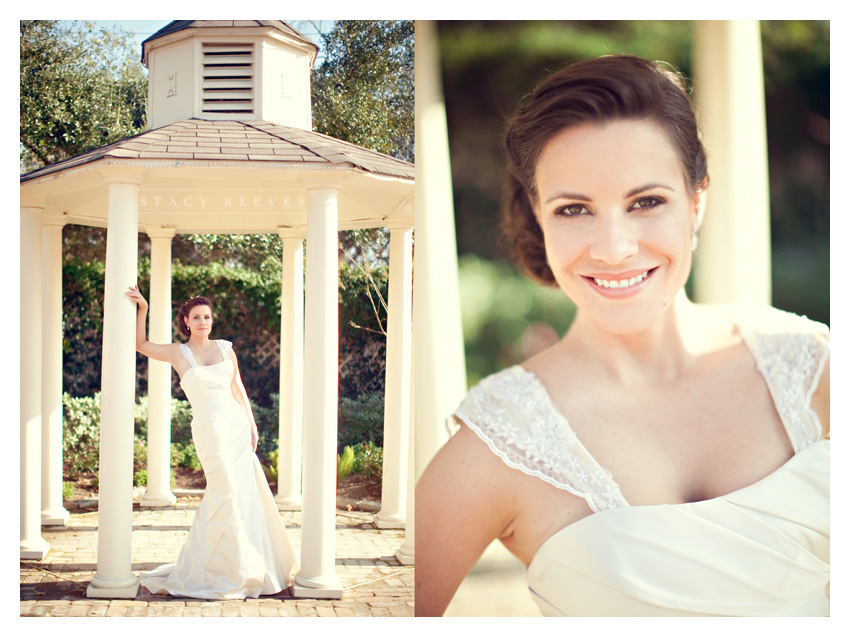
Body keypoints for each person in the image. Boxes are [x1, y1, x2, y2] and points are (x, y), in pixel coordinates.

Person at [415, 55, 830, 617]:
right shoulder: (497, 447)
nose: (612, 248)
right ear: (538, 214)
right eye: (574, 209)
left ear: (697, 199)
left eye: (646, 201)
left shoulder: (813, 368)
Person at [127, 285, 300, 600]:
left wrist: (251, 423)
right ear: (186, 322)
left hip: (235, 425)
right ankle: (221, 569)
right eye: (197, 317)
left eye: (207, 316)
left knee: (244, 492)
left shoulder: (224, 349)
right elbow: (139, 344)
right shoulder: (178, 353)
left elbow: (237, 387)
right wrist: (144, 309)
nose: (203, 321)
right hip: (209, 430)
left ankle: (246, 565)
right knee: (225, 492)